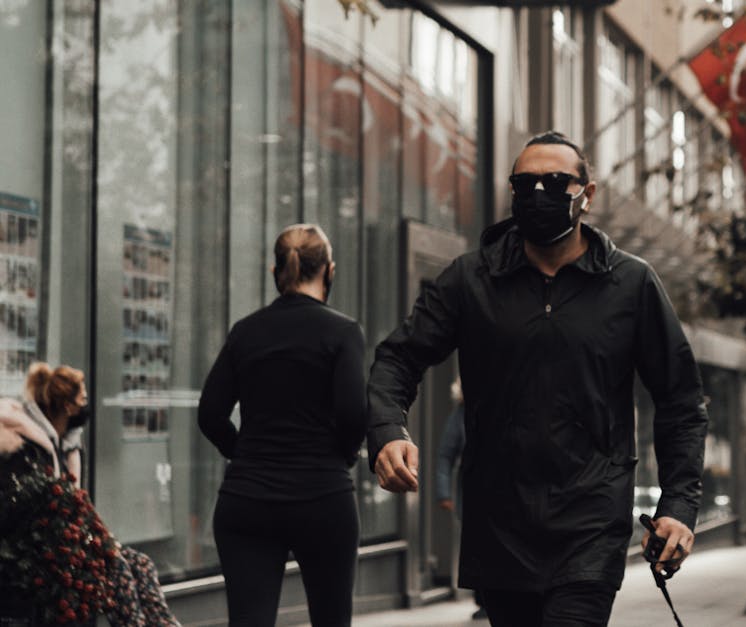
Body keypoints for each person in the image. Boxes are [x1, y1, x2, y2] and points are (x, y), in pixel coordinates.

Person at [367, 131, 710, 627]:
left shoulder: (631, 285)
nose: (538, 195)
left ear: (586, 196)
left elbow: (680, 400)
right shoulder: (470, 281)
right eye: (523, 184)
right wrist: (387, 432)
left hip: (591, 523)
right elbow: (397, 359)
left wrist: (677, 506)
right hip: (499, 525)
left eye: (554, 182)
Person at [198, 224, 367, 627]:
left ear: (275, 272)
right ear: (330, 271)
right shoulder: (342, 332)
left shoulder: (245, 332)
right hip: (322, 496)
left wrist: (244, 454)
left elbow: (210, 414)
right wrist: (339, 459)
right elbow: (353, 415)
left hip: (248, 499)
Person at [0, 363, 179, 626]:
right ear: (68, 407)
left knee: (141, 564)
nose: (86, 405)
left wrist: (105, 542)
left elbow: (77, 507)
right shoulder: (26, 447)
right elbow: (35, 514)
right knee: (118, 569)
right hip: (38, 557)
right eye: (82, 399)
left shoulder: (66, 444)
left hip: (65, 547)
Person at [434, 376, 488, 620]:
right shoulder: (459, 416)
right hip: (473, 492)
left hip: (508, 491)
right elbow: (445, 455)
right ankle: (483, 599)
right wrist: (443, 493)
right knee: (478, 545)